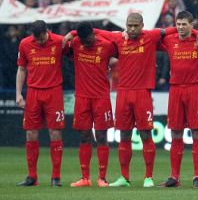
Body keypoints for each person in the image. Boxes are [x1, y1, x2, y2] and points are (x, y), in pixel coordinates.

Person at [65, 13, 174, 188]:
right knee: (124, 134)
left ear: (142, 25)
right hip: (123, 93)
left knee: (145, 134)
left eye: (135, 26)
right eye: (129, 25)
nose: (132, 29)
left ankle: (148, 177)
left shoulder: (151, 36)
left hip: (142, 93)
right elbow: (97, 31)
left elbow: (173, 31)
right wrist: (72, 33)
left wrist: (196, 33)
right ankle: (124, 177)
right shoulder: (117, 38)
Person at [158, 11, 198, 188]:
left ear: (191, 24)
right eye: (178, 24)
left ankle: (197, 176)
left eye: (184, 24)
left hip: (195, 89)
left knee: (197, 132)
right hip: (175, 91)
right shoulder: (170, 40)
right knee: (175, 133)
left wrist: (197, 34)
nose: (180, 27)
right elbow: (155, 36)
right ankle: (175, 177)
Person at [16, 20, 67, 187]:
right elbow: (22, 69)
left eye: (42, 37)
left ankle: (56, 177)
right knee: (30, 133)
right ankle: (32, 177)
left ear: (47, 31)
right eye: (37, 39)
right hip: (33, 92)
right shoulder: (25, 44)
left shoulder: (59, 41)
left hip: (54, 91)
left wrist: (72, 34)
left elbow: (77, 46)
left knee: (55, 133)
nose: (40, 41)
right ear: (33, 35)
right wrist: (18, 94)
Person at [68, 22, 116, 188]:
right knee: (84, 136)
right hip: (82, 97)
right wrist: (71, 35)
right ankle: (85, 178)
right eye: (83, 40)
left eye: (88, 39)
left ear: (93, 34)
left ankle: (102, 178)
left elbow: (123, 50)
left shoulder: (107, 45)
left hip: (101, 97)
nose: (86, 43)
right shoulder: (76, 43)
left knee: (102, 137)